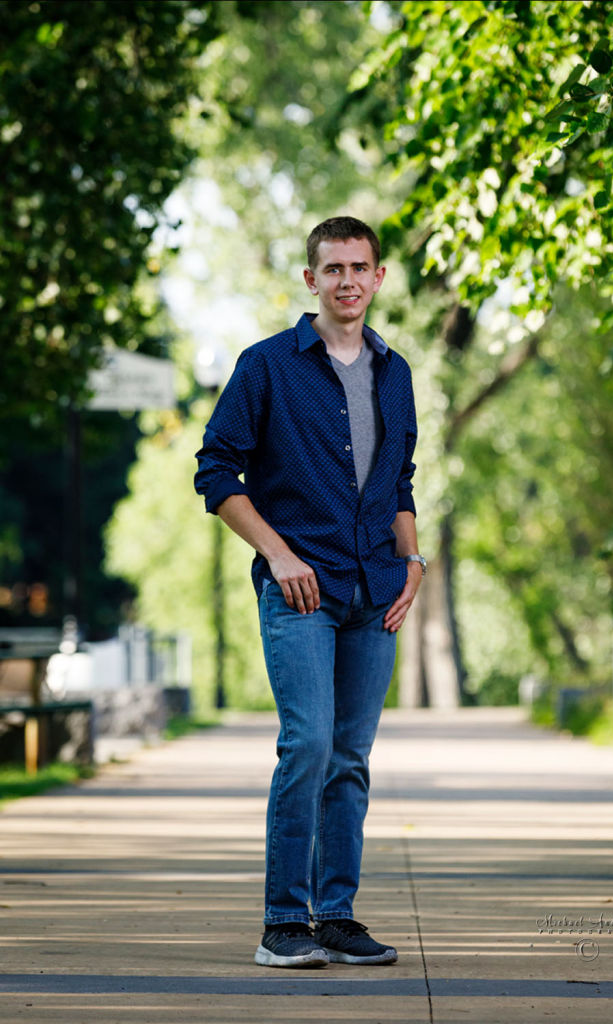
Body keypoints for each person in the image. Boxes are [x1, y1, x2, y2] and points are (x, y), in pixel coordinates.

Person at [194, 216, 425, 969]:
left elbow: (400, 482)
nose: (348, 281)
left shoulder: (395, 372)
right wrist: (277, 552)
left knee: (351, 758)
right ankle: (281, 924)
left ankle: (335, 916)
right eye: (333, 269)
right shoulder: (266, 367)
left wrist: (413, 561)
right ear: (310, 280)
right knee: (308, 746)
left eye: (360, 267)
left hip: (376, 591)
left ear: (379, 278)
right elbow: (215, 472)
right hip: (301, 591)